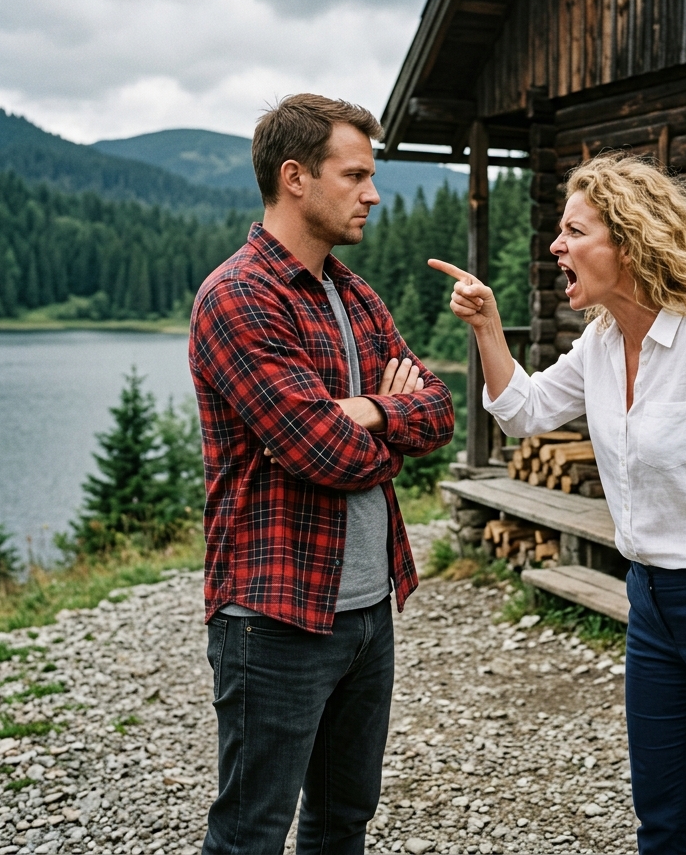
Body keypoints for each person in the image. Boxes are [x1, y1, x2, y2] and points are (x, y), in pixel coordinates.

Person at [430, 152, 686, 855]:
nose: (557, 246)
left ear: (629, 241)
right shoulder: (602, 341)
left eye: (574, 231)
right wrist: (488, 327)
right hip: (650, 604)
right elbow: (524, 412)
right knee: (663, 818)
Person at [189, 93, 455, 855]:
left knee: (344, 823)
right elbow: (319, 451)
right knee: (250, 833)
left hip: (368, 611)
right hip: (274, 620)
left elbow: (435, 409)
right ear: (296, 176)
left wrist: (365, 412)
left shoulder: (353, 292)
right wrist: (366, 422)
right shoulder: (238, 297)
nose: (373, 193)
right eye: (356, 174)